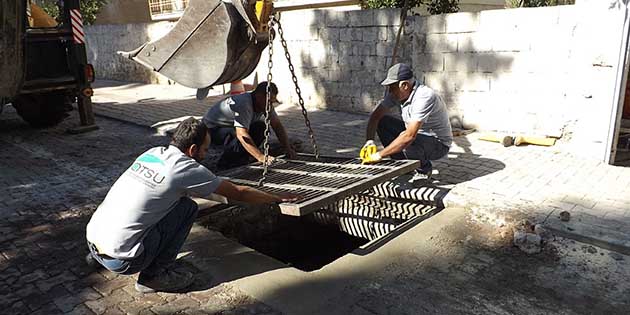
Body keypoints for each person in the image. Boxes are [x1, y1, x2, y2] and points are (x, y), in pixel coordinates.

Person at [85, 117, 299, 293]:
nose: (206, 155)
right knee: (186, 208)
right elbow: (238, 192)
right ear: (193, 149)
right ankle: (153, 276)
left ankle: (100, 258)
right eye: (205, 150)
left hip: (93, 240)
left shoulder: (152, 154)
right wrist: (276, 197)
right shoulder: (186, 168)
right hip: (123, 261)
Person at [363, 63, 452, 179]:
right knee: (383, 122)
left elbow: (409, 136)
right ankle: (402, 165)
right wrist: (369, 141)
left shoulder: (424, 97)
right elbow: (375, 117)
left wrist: (379, 155)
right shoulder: (396, 93)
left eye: (392, 87)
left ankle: (423, 170)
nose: (390, 91)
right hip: (417, 135)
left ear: (404, 85)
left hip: (438, 144)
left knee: (407, 138)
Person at [202, 81, 296, 170]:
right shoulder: (244, 104)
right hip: (212, 131)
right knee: (238, 133)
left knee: (260, 127)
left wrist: (287, 148)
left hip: (229, 127)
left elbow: (277, 126)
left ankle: (244, 156)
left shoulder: (265, 104)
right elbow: (242, 134)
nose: (270, 105)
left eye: (272, 102)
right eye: (269, 101)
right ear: (259, 97)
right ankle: (226, 162)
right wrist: (260, 156)